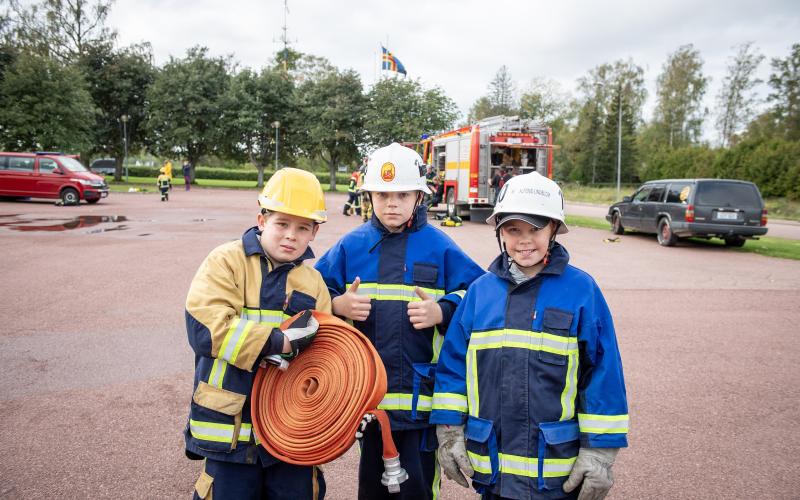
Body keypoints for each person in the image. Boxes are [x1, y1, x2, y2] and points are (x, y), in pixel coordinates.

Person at [430, 172, 629, 500]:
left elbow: (603, 374)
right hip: (493, 473)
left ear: (554, 229)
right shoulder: (480, 294)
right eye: (513, 229)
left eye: (535, 229)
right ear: (500, 232)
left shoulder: (582, 292)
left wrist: (599, 453)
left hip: (555, 475)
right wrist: (449, 432)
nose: (524, 240)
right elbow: (453, 368)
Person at [315, 143, 485, 500]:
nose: (391, 203)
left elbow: (480, 296)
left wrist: (443, 310)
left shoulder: (439, 246)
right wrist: (337, 304)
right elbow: (308, 293)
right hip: (366, 401)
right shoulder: (351, 246)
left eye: (402, 194)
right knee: (372, 490)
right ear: (368, 196)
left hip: (420, 404)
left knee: (418, 490)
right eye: (382, 194)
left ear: (419, 198)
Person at [183, 168, 332, 499]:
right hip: (230, 433)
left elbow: (327, 356)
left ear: (314, 232)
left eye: (302, 227)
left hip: (289, 436)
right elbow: (206, 328)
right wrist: (277, 342)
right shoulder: (226, 261)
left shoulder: (314, 283)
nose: (291, 235)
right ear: (262, 220)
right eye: (282, 224)